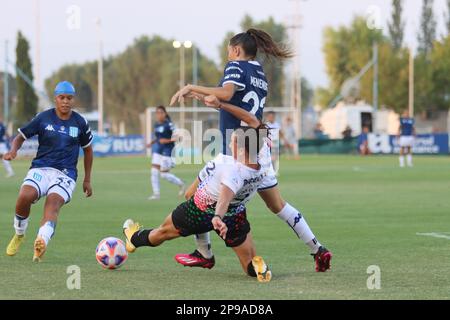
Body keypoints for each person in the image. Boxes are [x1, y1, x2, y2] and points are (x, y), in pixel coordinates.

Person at [170, 28, 332, 272]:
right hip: (258, 146)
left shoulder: (236, 66)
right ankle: (317, 249)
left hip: (237, 149)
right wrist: (217, 104)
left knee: (197, 198)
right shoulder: (259, 73)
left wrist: (193, 86)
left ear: (236, 50)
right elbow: (241, 109)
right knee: (278, 205)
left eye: (228, 52)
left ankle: (204, 252)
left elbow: (227, 94)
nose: (228, 57)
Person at [123, 127, 272, 282]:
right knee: (248, 262)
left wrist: (217, 217)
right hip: (234, 216)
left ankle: (133, 239)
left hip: (200, 211)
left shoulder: (232, 171)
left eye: (232, 142)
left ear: (241, 150)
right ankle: (258, 269)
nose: (229, 146)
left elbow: (223, 199)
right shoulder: (263, 164)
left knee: (163, 232)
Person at [4, 81, 94, 262]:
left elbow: (88, 150)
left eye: (69, 98)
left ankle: (41, 242)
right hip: (41, 168)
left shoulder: (80, 122)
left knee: (53, 204)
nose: (66, 101)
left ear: (73, 100)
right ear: (56, 99)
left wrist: (87, 179)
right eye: (62, 97)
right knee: (24, 196)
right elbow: (21, 136)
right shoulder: (43, 118)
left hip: (65, 174)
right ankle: (19, 233)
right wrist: (14, 150)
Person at [147, 106, 185, 200]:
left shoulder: (169, 125)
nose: (159, 114)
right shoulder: (156, 125)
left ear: (165, 113)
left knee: (164, 174)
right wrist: (152, 142)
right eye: (157, 113)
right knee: (154, 172)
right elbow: (159, 137)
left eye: (161, 112)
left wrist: (167, 140)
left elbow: (179, 138)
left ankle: (181, 183)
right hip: (158, 151)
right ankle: (156, 194)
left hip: (168, 151)